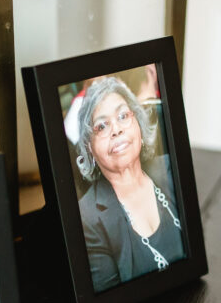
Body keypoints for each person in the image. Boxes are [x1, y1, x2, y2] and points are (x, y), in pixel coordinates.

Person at [74, 76, 185, 292]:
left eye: (123, 116)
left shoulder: (172, 169)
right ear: (90, 149)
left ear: (139, 126)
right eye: (102, 126)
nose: (116, 129)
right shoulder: (87, 218)